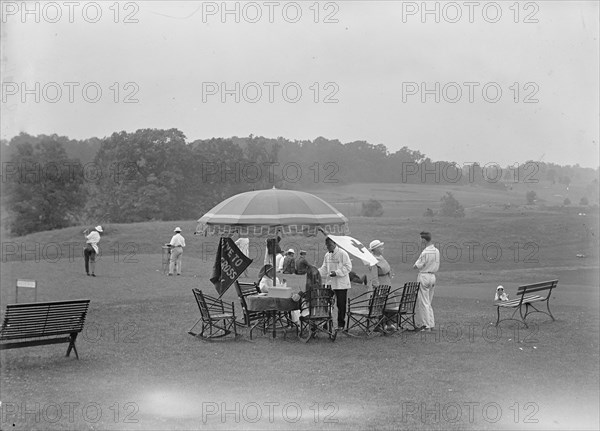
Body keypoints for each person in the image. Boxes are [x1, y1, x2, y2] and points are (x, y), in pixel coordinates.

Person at [318, 237, 352, 330]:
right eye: (327, 245)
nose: (328, 247)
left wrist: (336, 272)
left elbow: (348, 267)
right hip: (329, 283)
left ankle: (341, 324)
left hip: (341, 283)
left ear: (334, 243)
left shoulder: (342, 253)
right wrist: (316, 272)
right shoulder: (327, 255)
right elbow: (324, 268)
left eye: (329, 244)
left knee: (341, 304)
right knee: (327, 304)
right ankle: (326, 323)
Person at [413, 231, 440, 332]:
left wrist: (414, 266)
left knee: (423, 302)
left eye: (420, 239)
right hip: (433, 276)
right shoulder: (436, 251)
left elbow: (417, 265)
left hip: (424, 276)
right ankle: (431, 324)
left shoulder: (425, 252)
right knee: (429, 301)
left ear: (424, 239)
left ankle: (426, 325)